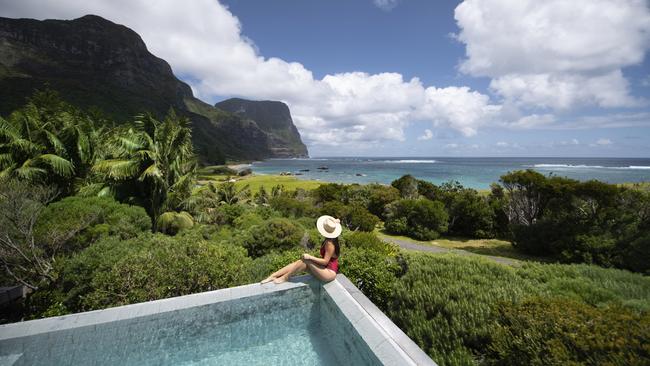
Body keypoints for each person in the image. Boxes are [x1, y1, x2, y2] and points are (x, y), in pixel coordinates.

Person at [261, 215, 341, 284]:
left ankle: (285, 277)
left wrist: (310, 257)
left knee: (306, 260)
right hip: (324, 269)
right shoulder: (329, 240)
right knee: (301, 262)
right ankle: (273, 275)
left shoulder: (330, 243)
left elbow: (325, 262)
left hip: (329, 273)